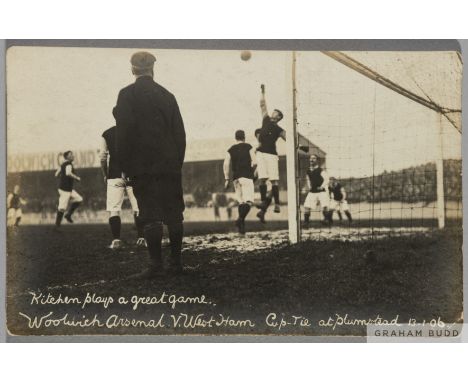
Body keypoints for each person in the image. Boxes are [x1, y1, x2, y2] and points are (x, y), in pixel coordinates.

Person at [114, 51, 186, 277]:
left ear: (133, 69)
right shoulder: (167, 95)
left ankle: (156, 265)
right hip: (169, 165)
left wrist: (125, 165)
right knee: (174, 214)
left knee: (149, 214)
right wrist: (176, 163)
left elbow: (123, 133)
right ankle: (176, 264)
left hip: (142, 166)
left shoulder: (126, 94)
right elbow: (180, 134)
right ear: (152, 69)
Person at [100, 114, 146, 250]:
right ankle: (142, 238)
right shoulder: (135, 131)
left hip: (114, 174)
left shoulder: (106, 133)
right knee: (138, 207)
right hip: (133, 174)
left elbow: (103, 157)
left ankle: (116, 241)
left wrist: (105, 174)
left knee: (114, 209)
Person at [256, 84, 286, 222]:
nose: (272, 113)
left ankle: (277, 204)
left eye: (275, 113)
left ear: (279, 117)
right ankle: (263, 205)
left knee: (273, 180)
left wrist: (300, 147)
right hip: (261, 153)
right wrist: (262, 92)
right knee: (262, 179)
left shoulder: (279, 129)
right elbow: (262, 105)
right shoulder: (266, 119)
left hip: (272, 155)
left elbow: (289, 139)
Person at [223, 130, 257, 234]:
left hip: (235, 178)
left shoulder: (231, 149)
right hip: (246, 176)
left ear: (235, 138)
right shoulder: (248, 147)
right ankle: (240, 220)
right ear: (244, 137)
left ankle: (241, 228)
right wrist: (252, 172)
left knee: (241, 202)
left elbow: (225, 164)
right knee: (249, 202)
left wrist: (227, 179)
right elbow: (255, 162)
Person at [54, 151, 83, 228]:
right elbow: (68, 173)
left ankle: (68, 215)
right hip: (65, 189)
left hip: (67, 189)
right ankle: (57, 225)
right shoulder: (69, 164)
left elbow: (56, 174)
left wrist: (62, 177)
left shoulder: (63, 164)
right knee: (62, 208)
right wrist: (77, 178)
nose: (73, 156)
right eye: (71, 155)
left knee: (79, 199)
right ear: (67, 157)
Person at [303, 154, 332, 227]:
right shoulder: (308, 170)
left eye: (314, 158)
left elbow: (327, 179)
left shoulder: (321, 170)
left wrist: (321, 186)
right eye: (310, 158)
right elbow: (308, 179)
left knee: (325, 206)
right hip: (312, 191)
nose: (311, 160)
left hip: (322, 191)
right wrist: (309, 187)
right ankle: (306, 222)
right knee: (307, 206)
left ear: (317, 160)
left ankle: (327, 220)